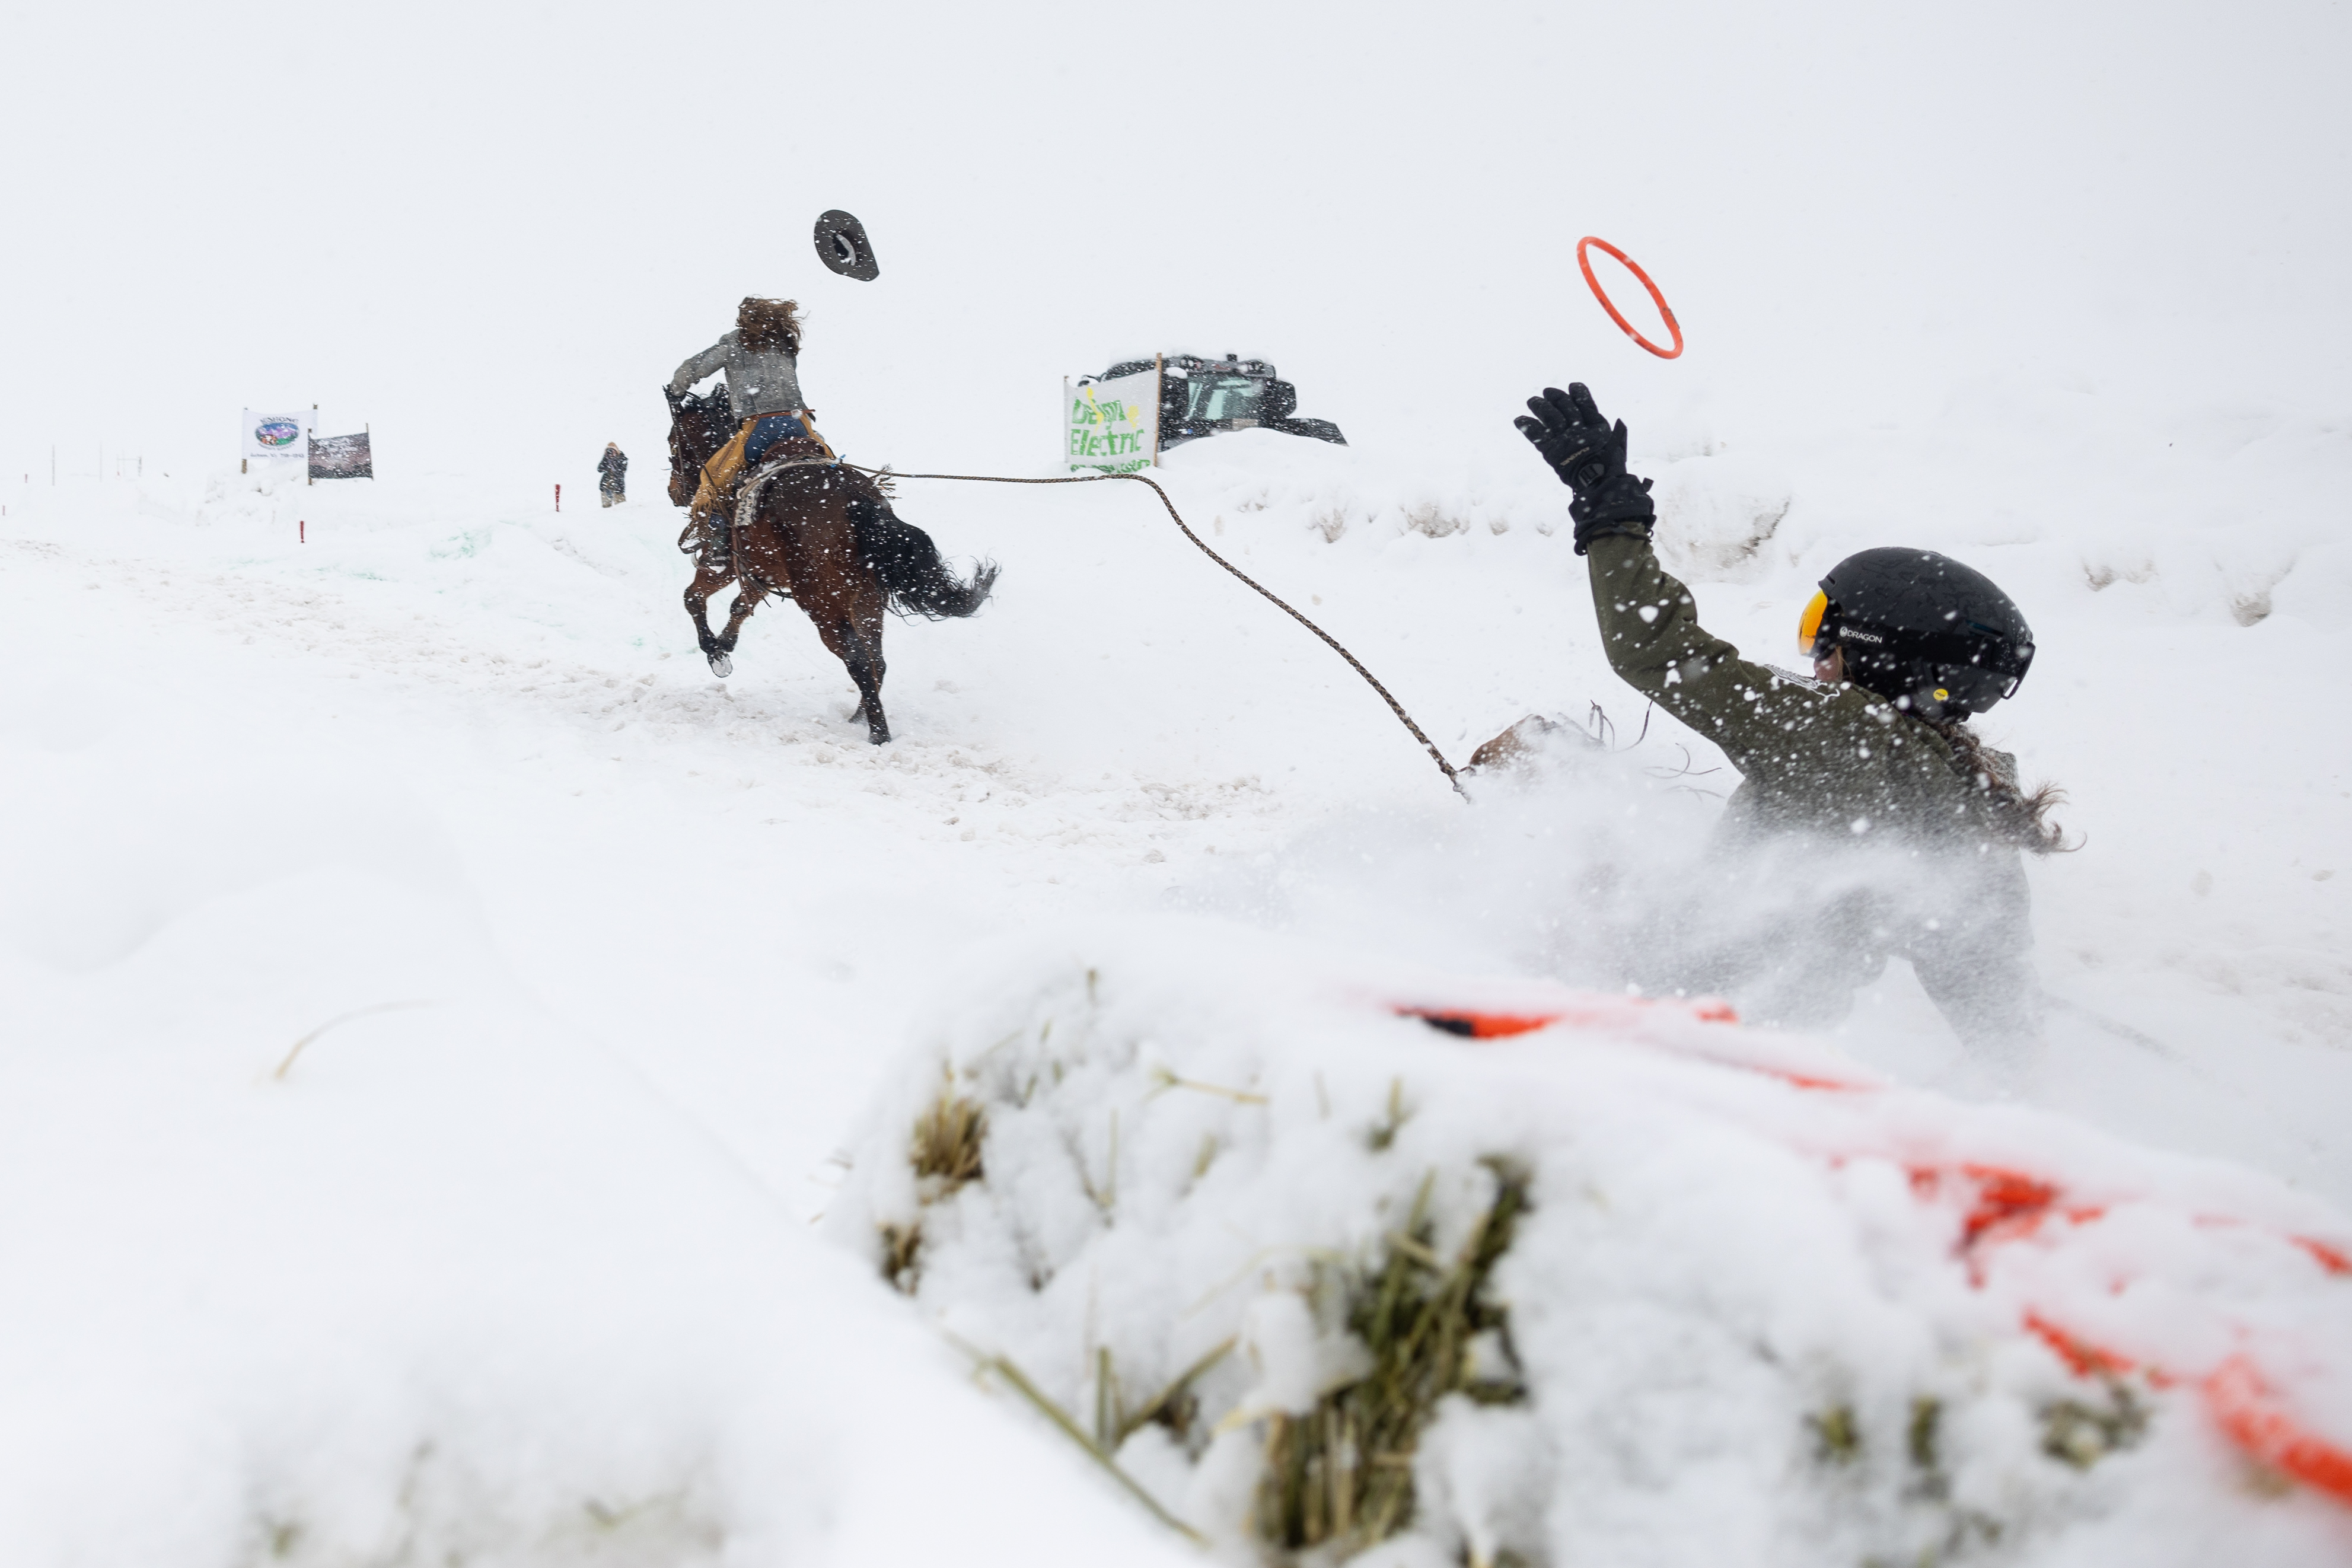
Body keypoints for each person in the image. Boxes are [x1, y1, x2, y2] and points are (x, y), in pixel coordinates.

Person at [1514, 383, 2066, 1053]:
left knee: (1537, 753)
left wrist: (1610, 515)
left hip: (1671, 1020)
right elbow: (1994, 997)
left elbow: (1654, 650)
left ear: (1879, 655)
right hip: (1775, 1036)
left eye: (1823, 634)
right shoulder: (1969, 801)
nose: (1814, 657)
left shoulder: (1843, 736)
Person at [669, 298, 837, 568]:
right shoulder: (785, 346)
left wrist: (677, 390)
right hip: (800, 425)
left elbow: (692, 368)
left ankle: (720, 544)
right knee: (831, 464)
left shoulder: (734, 344)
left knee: (711, 480)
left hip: (760, 428)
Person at [598, 442, 627, 506]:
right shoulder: (606, 460)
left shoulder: (622, 459)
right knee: (606, 508)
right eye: (608, 451)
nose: (610, 453)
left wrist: (616, 461)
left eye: (612, 451)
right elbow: (599, 469)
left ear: (616, 451)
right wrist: (605, 459)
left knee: (622, 507)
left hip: (618, 487)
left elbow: (622, 470)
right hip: (606, 486)